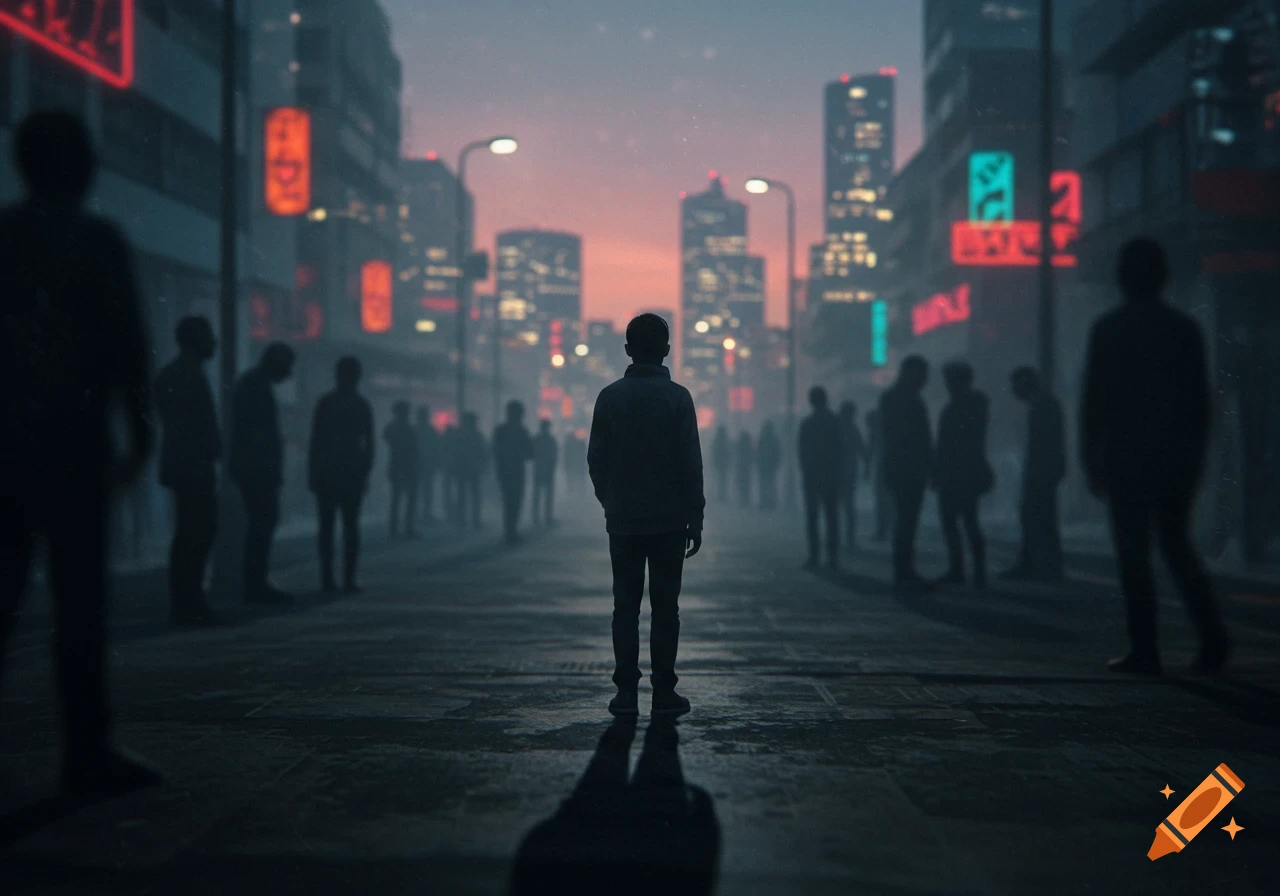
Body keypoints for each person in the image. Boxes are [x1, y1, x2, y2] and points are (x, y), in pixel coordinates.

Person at [0, 110, 162, 798]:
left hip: (5, 449)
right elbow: (127, 347)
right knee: (80, 609)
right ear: (86, 166)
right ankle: (86, 752)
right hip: (73, 447)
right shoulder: (98, 242)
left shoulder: (2, 239)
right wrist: (139, 434)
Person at [1081, 238, 1229, 676]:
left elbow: (1094, 403)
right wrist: (1197, 458)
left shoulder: (1108, 329)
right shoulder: (1183, 329)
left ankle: (1145, 648)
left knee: (1134, 554)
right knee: (1177, 546)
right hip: (1173, 457)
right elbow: (1200, 404)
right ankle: (1213, 638)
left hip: (1127, 457)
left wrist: (1091, 457)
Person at [588, 313, 704, 718]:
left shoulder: (609, 396)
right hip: (670, 520)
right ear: (667, 350)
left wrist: (611, 500)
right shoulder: (678, 398)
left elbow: (596, 459)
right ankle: (664, 690)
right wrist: (696, 516)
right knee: (665, 608)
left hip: (623, 521)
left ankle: (625, 691)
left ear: (628, 351)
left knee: (625, 605)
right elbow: (691, 463)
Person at [154, 315, 221, 625]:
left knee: (189, 532)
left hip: (184, 464)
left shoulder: (173, 374)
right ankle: (189, 601)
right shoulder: (188, 375)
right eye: (208, 336)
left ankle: (186, 600)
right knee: (196, 532)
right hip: (193, 465)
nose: (214, 342)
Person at [229, 341, 296, 605]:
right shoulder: (255, 386)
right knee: (262, 523)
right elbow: (257, 434)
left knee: (262, 523)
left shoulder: (254, 383)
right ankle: (254, 584)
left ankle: (255, 582)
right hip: (257, 469)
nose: (288, 373)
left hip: (256, 467)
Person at [308, 357, 374, 593]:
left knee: (326, 527)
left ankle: (327, 578)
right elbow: (369, 445)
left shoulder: (326, 403)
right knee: (350, 526)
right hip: (351, 472)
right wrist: (365, 471)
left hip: (328, 471)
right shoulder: (361, 405)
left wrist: (312, 473)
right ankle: (348, 578)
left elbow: (315, 441)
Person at [933, 361, 992, 587]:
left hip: (955, 473)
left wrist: (938, 471)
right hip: (968, 471)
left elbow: (947, 444)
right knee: (969, 522)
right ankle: (976, 572)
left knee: (955, 523)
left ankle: (960, 570)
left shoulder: (957, 407)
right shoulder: (976, 404)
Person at [1004, 366, 1066, 582]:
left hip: (1041, 472)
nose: (1013, 390)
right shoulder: (1043, 405)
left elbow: (1045, 445)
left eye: (1015, 385)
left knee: (1036, 517)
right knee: (1039, 518)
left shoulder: (1042, 406)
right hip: (1043, 471)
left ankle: (1039, 565)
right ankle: (1043, 565)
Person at [879, 356, 933, 591]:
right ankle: (905, 571)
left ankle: (903, 570)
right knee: (907, 521)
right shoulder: (909, 400)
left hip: (899, 467)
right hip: (909, 469)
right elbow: (921, 438)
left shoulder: (891, 398)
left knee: (905, 521)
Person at [798, 387, 843, 571]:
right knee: (831, 517)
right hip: (830, 474)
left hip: (812, 475)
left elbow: (801, 450)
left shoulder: (808, 423)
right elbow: (840, 448)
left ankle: (814, 556)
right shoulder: (833, 421)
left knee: (813, 516)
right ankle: (832, 557)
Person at [493, 401, 535, 544]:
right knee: (515, 502)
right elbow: (530, 454)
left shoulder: (500, 431)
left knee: (508, 501)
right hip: (517, 471)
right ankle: (511, 530)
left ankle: (509, 530)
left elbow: (495, 451)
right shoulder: (522, 431)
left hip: (505, 471)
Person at [837, 401, 869, 554]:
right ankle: (849, 539)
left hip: (837, 474)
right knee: (848, 508)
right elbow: (862, 450)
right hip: (848, 473)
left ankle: (837, 539)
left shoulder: (836, 428)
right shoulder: (852, 429)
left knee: (837, 507)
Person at [384, 400, 419, 540]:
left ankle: (396, 528)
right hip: (405, 467)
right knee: (405, 499)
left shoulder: (394, 428)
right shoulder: (404, 429)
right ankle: (405, 528)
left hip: (399, 467)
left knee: (398, 499)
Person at [455, 413, 487, 529]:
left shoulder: (460, 435)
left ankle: (464, 519)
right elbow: (483, 453)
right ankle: (473, 519)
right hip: (471, 469)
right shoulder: (476, 436)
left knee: (465, 496)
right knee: (473, 496)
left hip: (466, 469)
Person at [865, 408, 891, 542]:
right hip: (891, 469)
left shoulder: (875, 433)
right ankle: (886, 529)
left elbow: (869, 452)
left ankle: (882, 531)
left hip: (882, 470)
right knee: (889, 501)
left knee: (881, 501)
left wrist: (867, 470)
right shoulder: (889, 431)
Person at [416, 406, 440, 526]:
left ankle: (423, 512)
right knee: (423, 490)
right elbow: (437, 448)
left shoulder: (415, 430)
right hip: (421, 465)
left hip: (422, 465)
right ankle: (424, 512)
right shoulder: (429, 431)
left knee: (422, 490)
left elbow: (436, 448)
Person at [532, 419, 559, 526]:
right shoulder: (550, 440)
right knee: (546, 495)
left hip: (540, 469)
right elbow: (554, 454)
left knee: (538, 494)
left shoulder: (537, 439)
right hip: (546, 469)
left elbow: (532, 454)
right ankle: (546, 517)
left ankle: (537, 517)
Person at [756, 421, 781, 510]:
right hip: (770, 466)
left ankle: (765, 502)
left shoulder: (762, 438)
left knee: (764, 485)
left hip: (764, 466)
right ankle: (770, 503)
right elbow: (777, 453)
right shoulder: (774, 439)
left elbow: (758, 452)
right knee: (770, 485)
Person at [441, 421, 460, 524]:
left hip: (450, 470)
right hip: (454, 470)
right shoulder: (456, 441)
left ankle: (450, 511)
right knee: (454, 492)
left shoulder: (444, 441)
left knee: (449, 492)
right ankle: (453, 512)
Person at [734, 430, 755, 508]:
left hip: (742, 467)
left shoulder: (740, 445)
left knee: (742, 484)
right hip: (746, 467)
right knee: (746, 484)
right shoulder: (748, 445)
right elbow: (752, 456)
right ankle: (746, 500)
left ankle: (742, 500)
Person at [710, 426, 731, 503]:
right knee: (723, 480)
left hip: (719, 463)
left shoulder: (717, 441)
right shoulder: (724, 440)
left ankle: (720, 495)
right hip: (723, 463)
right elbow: (727, 453)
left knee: (720, 480)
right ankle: (722, 494)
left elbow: (714, 452)